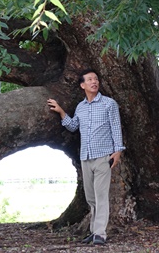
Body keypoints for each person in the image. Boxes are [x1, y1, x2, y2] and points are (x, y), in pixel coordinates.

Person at [47, 69, 125, 246]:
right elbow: (74, 126)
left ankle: (100, 234)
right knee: (91, 198)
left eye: (96, 79)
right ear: (83, 85)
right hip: (86, 156)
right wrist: (61, 112)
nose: (94, 82)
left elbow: (115, 127)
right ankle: (93, 231)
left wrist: (118, 151)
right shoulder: (80, 107)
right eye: (90, 79)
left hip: (103, 156)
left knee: (101, 196)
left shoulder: (108, 104)